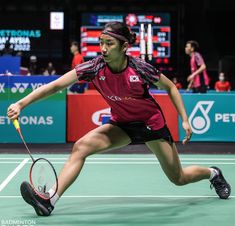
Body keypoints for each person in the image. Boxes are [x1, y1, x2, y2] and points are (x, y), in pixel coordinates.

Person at [7, 22, 231, 216]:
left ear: (124, 47)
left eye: (109, 44)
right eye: (101, 42)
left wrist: (184, 119)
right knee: (81, 147)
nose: (103, 48)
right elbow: (55, 85)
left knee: (178, 178)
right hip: (122, 125)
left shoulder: (140, 68)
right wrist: (21, 103)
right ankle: (49, 200)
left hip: (150, 126)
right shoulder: (94, 67)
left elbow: (170, 87)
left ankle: (213, 173)